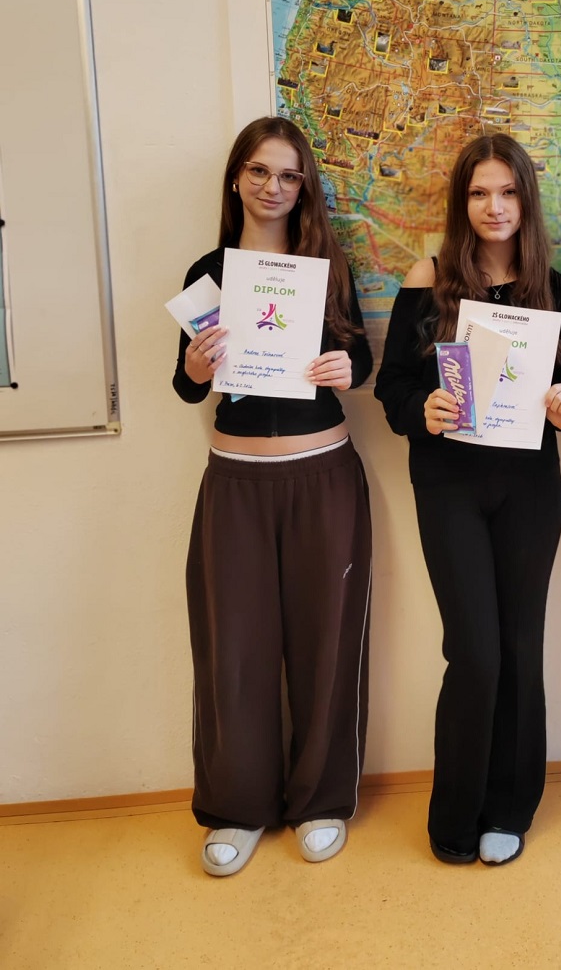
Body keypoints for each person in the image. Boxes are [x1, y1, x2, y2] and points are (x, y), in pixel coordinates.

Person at [374, 133, 561, 867]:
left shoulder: (553, 288)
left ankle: (509, 808)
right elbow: (391, 389)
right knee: (473, 652)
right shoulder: (428, 278)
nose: (494, 207)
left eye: (507, 192)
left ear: (526, 199)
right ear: (460, 202)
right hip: (449, 487)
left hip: (530, 488)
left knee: (520, 649)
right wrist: (422, 409)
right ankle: (456, 813)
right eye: (478, 193)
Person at [172, 116, 373, 877]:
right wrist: (196, 366)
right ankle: (236, 806)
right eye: (260, 171)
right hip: (236, 482)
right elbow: (185, 384)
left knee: (327, 642)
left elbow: (360, 359)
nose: (273, 186)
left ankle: (321, 799)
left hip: (324, 474)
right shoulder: (209, 272)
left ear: (304, 186)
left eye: (289, 175)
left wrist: (346, 369)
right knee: (234, 648)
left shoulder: (326, 266)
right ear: (237, 178)